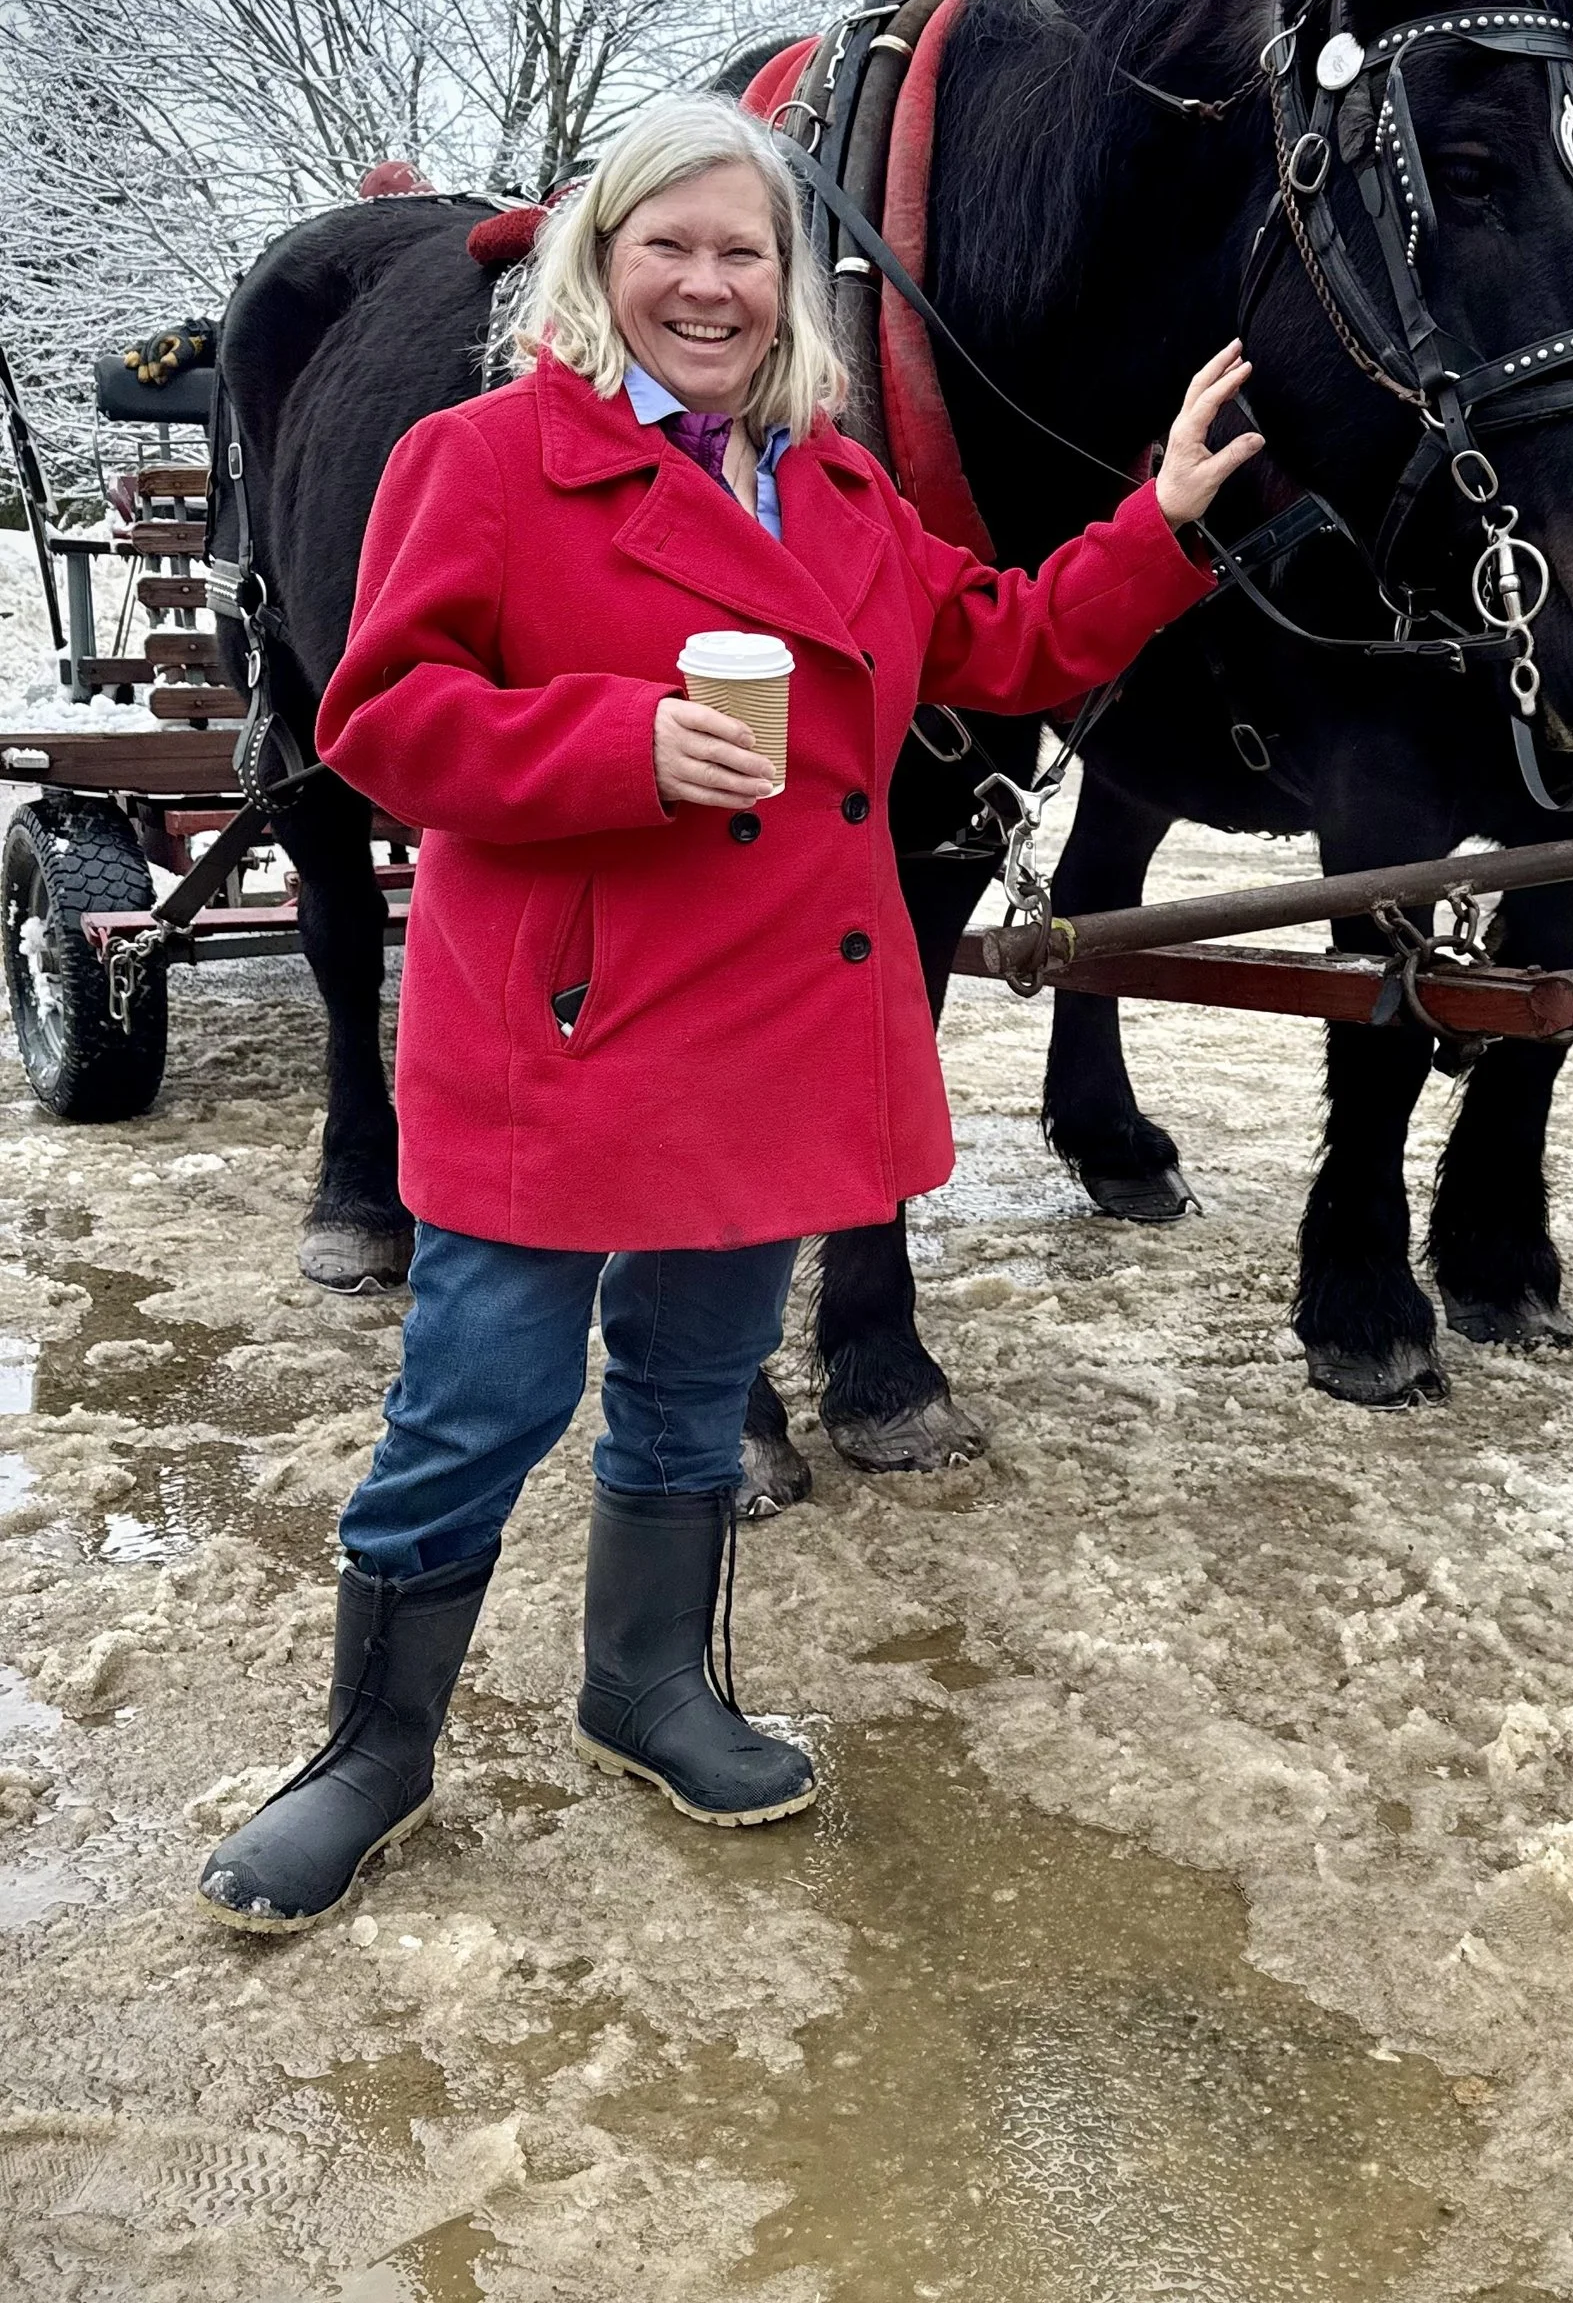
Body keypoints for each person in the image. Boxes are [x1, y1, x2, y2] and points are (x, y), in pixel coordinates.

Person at [200, 95, 1258, 1933]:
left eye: (743, 251)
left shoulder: (841, 487)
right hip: (569, 1026)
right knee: (478, 1399)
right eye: (667, 244)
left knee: (695, 1383)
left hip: (778, 1025)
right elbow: (383, 715)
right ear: (597, 265)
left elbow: (1003, 640)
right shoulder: (486, 459)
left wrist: (1157, 522)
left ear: (791, 290)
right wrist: (621, 742)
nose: (707, 281)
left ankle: (650, 1684)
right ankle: (371, 1747)